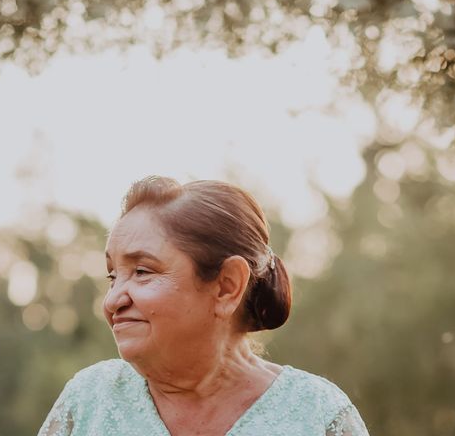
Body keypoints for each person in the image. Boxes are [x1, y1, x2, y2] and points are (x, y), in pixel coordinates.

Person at [38, 176, 369, 436]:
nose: (112, 301)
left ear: (227, 286)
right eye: (113, 276)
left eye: (142, 272)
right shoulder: (87, 401)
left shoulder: (317, 414)